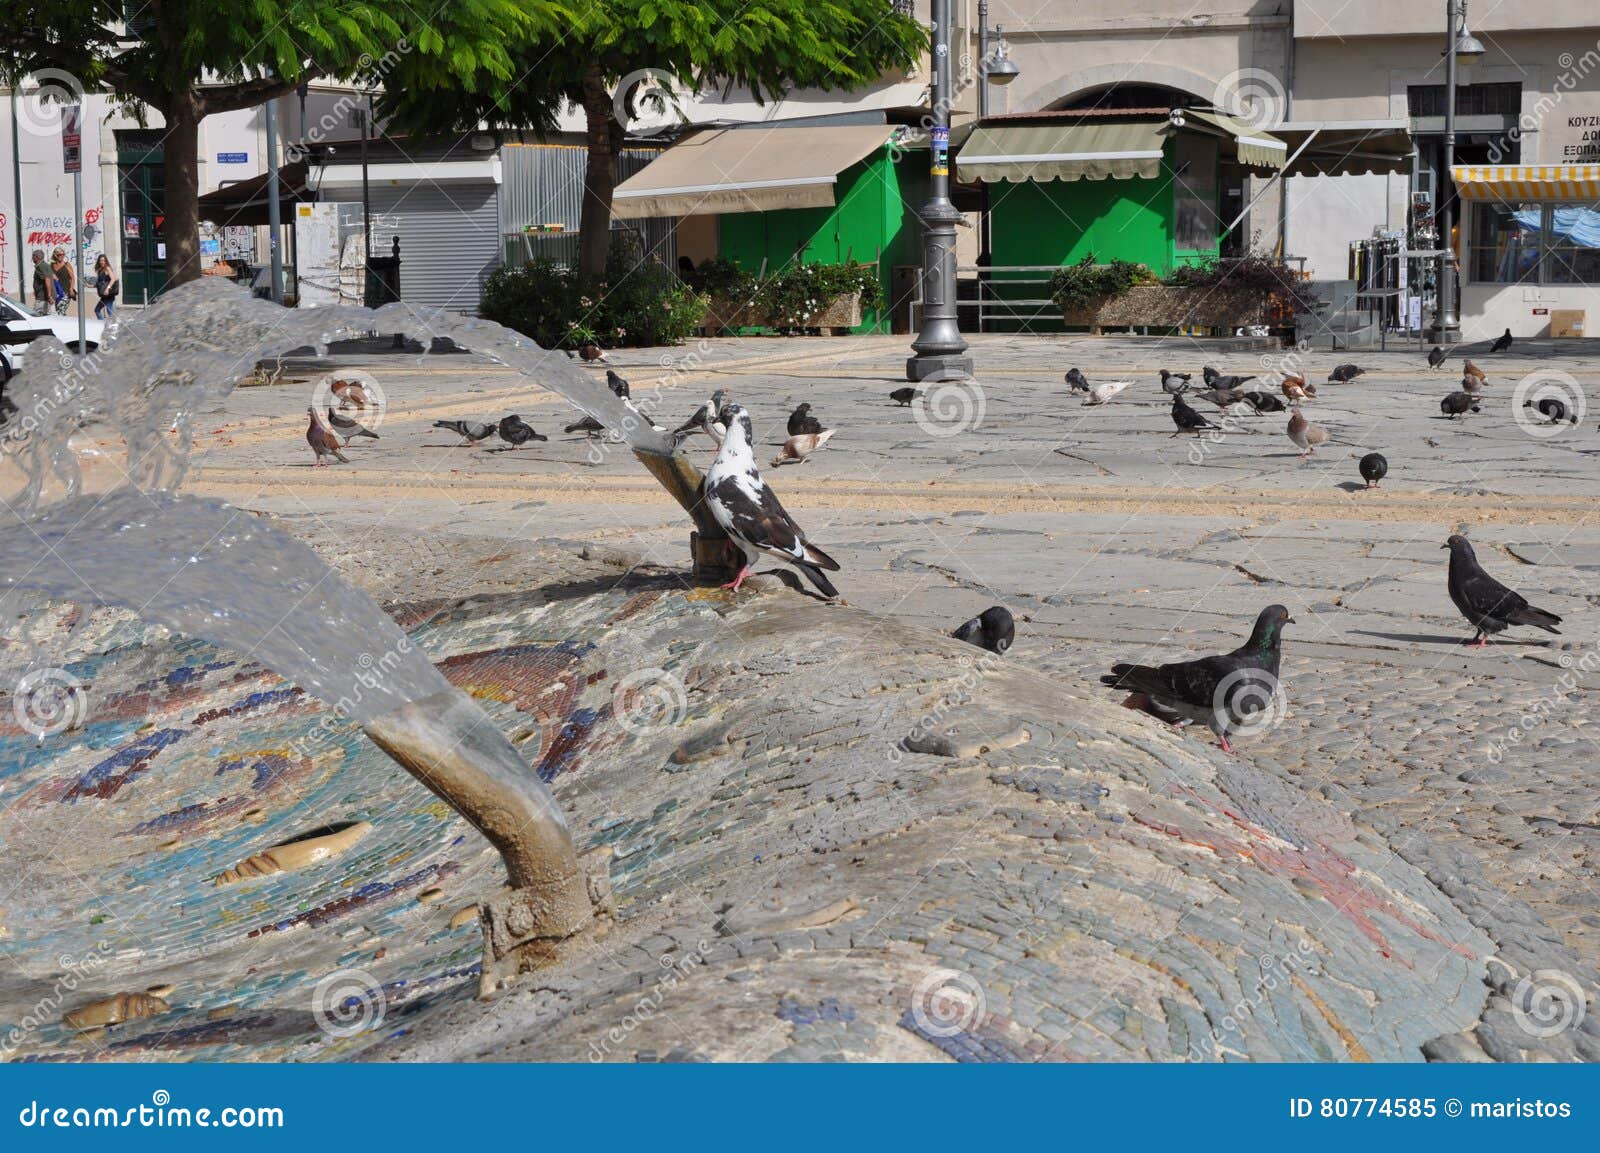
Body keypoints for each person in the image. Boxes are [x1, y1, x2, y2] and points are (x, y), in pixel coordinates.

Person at [49, 248, 77, 315]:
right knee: (58, 311)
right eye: (59, 255)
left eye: (63, 254)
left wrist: (71, 289)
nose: (61, 256)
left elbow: (72, 278)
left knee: (61, 311)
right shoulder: (51, 265)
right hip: (56, 293)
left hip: (66, 292)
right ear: (55, 255)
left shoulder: (67, 264)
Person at [30, 250, 58, 315]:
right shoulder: (45, 265)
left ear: (36, 257)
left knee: (36, 315)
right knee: (51, 315)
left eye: (33, 256)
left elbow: (47, 280)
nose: (32, 258)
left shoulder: (41, 266)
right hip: (45, 296)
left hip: (43, 297)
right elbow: (55, 278)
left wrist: (49, 296)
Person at [92, 254, 119, 320]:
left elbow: (113, 279)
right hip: (104, 295)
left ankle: (113, 324)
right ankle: (103, 323)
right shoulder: (100, 270)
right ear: (98, 261)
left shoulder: (107, 268)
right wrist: (89, 286)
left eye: (103, 260)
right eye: (101, 260)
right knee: (97, 310)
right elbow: (100, 284)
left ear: (106, 261)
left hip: (109, 294)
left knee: (109, 310)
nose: (102, 262)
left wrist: (107, 289)